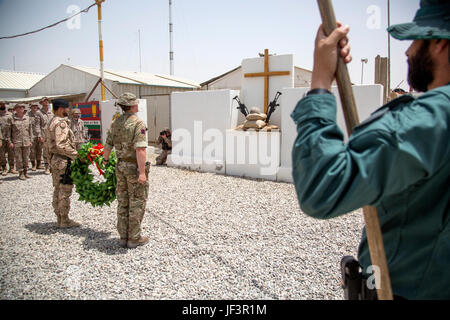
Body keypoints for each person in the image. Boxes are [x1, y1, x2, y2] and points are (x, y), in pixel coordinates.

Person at [290, 0, 449, 300]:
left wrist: (321, 81)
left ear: (438, 41)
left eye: (415, 40)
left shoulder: (431, 117)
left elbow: (321, 187)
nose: (408, 50)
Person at [103, 92, 150, 249]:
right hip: (133, 168)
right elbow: (140, 150)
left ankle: (123, 237)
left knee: (123, 201)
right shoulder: (138, 124)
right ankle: (134, 238)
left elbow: (108, 144)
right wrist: (142, 172)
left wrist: (105, 160)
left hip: (120, 166)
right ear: (132, 105)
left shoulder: (115, 123)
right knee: (136, 202)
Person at [46, 99, 81, 228]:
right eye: (67, 108)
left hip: (55, 159)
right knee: (65, 190)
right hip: (63, 161)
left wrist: (50, 159)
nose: (69, 111)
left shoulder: (51, 121)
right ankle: (64, 220)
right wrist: (76, 155)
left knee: (58, 189)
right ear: (61, 109)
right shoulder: (61, 123)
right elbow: (61, 144)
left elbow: (48, 144)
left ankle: (59, 218)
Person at [8, 104, 33, 180]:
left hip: (26, 141)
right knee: (19, 158)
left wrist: (31, 140)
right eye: (19, 107)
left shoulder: (27, 118)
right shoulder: (12, 119)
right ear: (15, 109)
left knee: (26, 158)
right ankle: (21, 173)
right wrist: (10, 142)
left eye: (22, 107)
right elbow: (9, 131)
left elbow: (30, 130)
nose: (21, 109)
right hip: (17, 142)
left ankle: (26, 172)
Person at [0, 102, 16, 175]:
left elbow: (13, 127)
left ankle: (12, 168)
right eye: (1, 105)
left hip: (9, 137)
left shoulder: (10, 115)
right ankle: (4, 168)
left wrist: (13, 138)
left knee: (11, 153)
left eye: (3, 105)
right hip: (1, 138)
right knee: (2, 154)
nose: (2, 106)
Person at [39, 97, 53, 175]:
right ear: (41, 103)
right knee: (45, 152)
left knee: (52, 151)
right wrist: (39, 135)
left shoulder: (51, 112)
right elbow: (37, 125)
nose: (46, 102)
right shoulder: (39, 113)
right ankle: (47, 167)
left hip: (51, 135)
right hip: (44, 135)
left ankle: (52, 166)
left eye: (47, 101)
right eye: (44, 101)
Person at [28, 102, 44, 171]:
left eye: (36, 106)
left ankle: (39, 164)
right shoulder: (28, 115)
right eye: (33, 106)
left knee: (39, 150)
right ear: (30, 107)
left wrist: (41, 135)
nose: (34, 108)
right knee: (32, 151)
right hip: (31, 135)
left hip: (39, 135)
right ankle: (33, 165)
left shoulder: (39, 114)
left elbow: (42, 124)